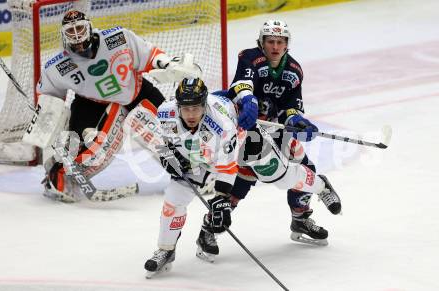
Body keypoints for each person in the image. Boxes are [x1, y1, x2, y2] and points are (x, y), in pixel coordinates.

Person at [195, 20, 342, 260]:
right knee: (240, 183)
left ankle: (300, 219)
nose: (275, 46)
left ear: (287, 44)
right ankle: (208, 230)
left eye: (280, 42)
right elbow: (243, 83)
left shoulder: (294, 71)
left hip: (273, 127)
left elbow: (291, 106)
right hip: (245, 126)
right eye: (270, 41)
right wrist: (248, 100)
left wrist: (295, 120)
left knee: (305, 168)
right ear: (262, 42)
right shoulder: (250, 58)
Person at [32, 10, 199, 202]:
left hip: (136, 92)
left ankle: (194, 171)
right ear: (64, 35)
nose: (76, 35)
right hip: (92, 104)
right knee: (95, 147)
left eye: (79, 28)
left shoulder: (118, 38)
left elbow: (149, 55)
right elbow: (47, 96)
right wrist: (47, 115)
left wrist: (168, 64)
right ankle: (60, 173)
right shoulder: (58, 66)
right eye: (71, 31)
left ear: (89, 27)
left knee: (171, 131)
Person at [143, 78, 241, 277]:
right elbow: (160, 142)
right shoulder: (164, 112)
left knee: (223, 207)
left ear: (204, 105)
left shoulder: (222, 125)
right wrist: (167, 156)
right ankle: (166, 250)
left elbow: (228, 166)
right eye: (185, 108)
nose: (191, 114)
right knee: (172, 202)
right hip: (193, 158)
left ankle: (207, 232)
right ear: (178, 105)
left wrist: (222, 197)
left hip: (223, 153)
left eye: (196, 108)